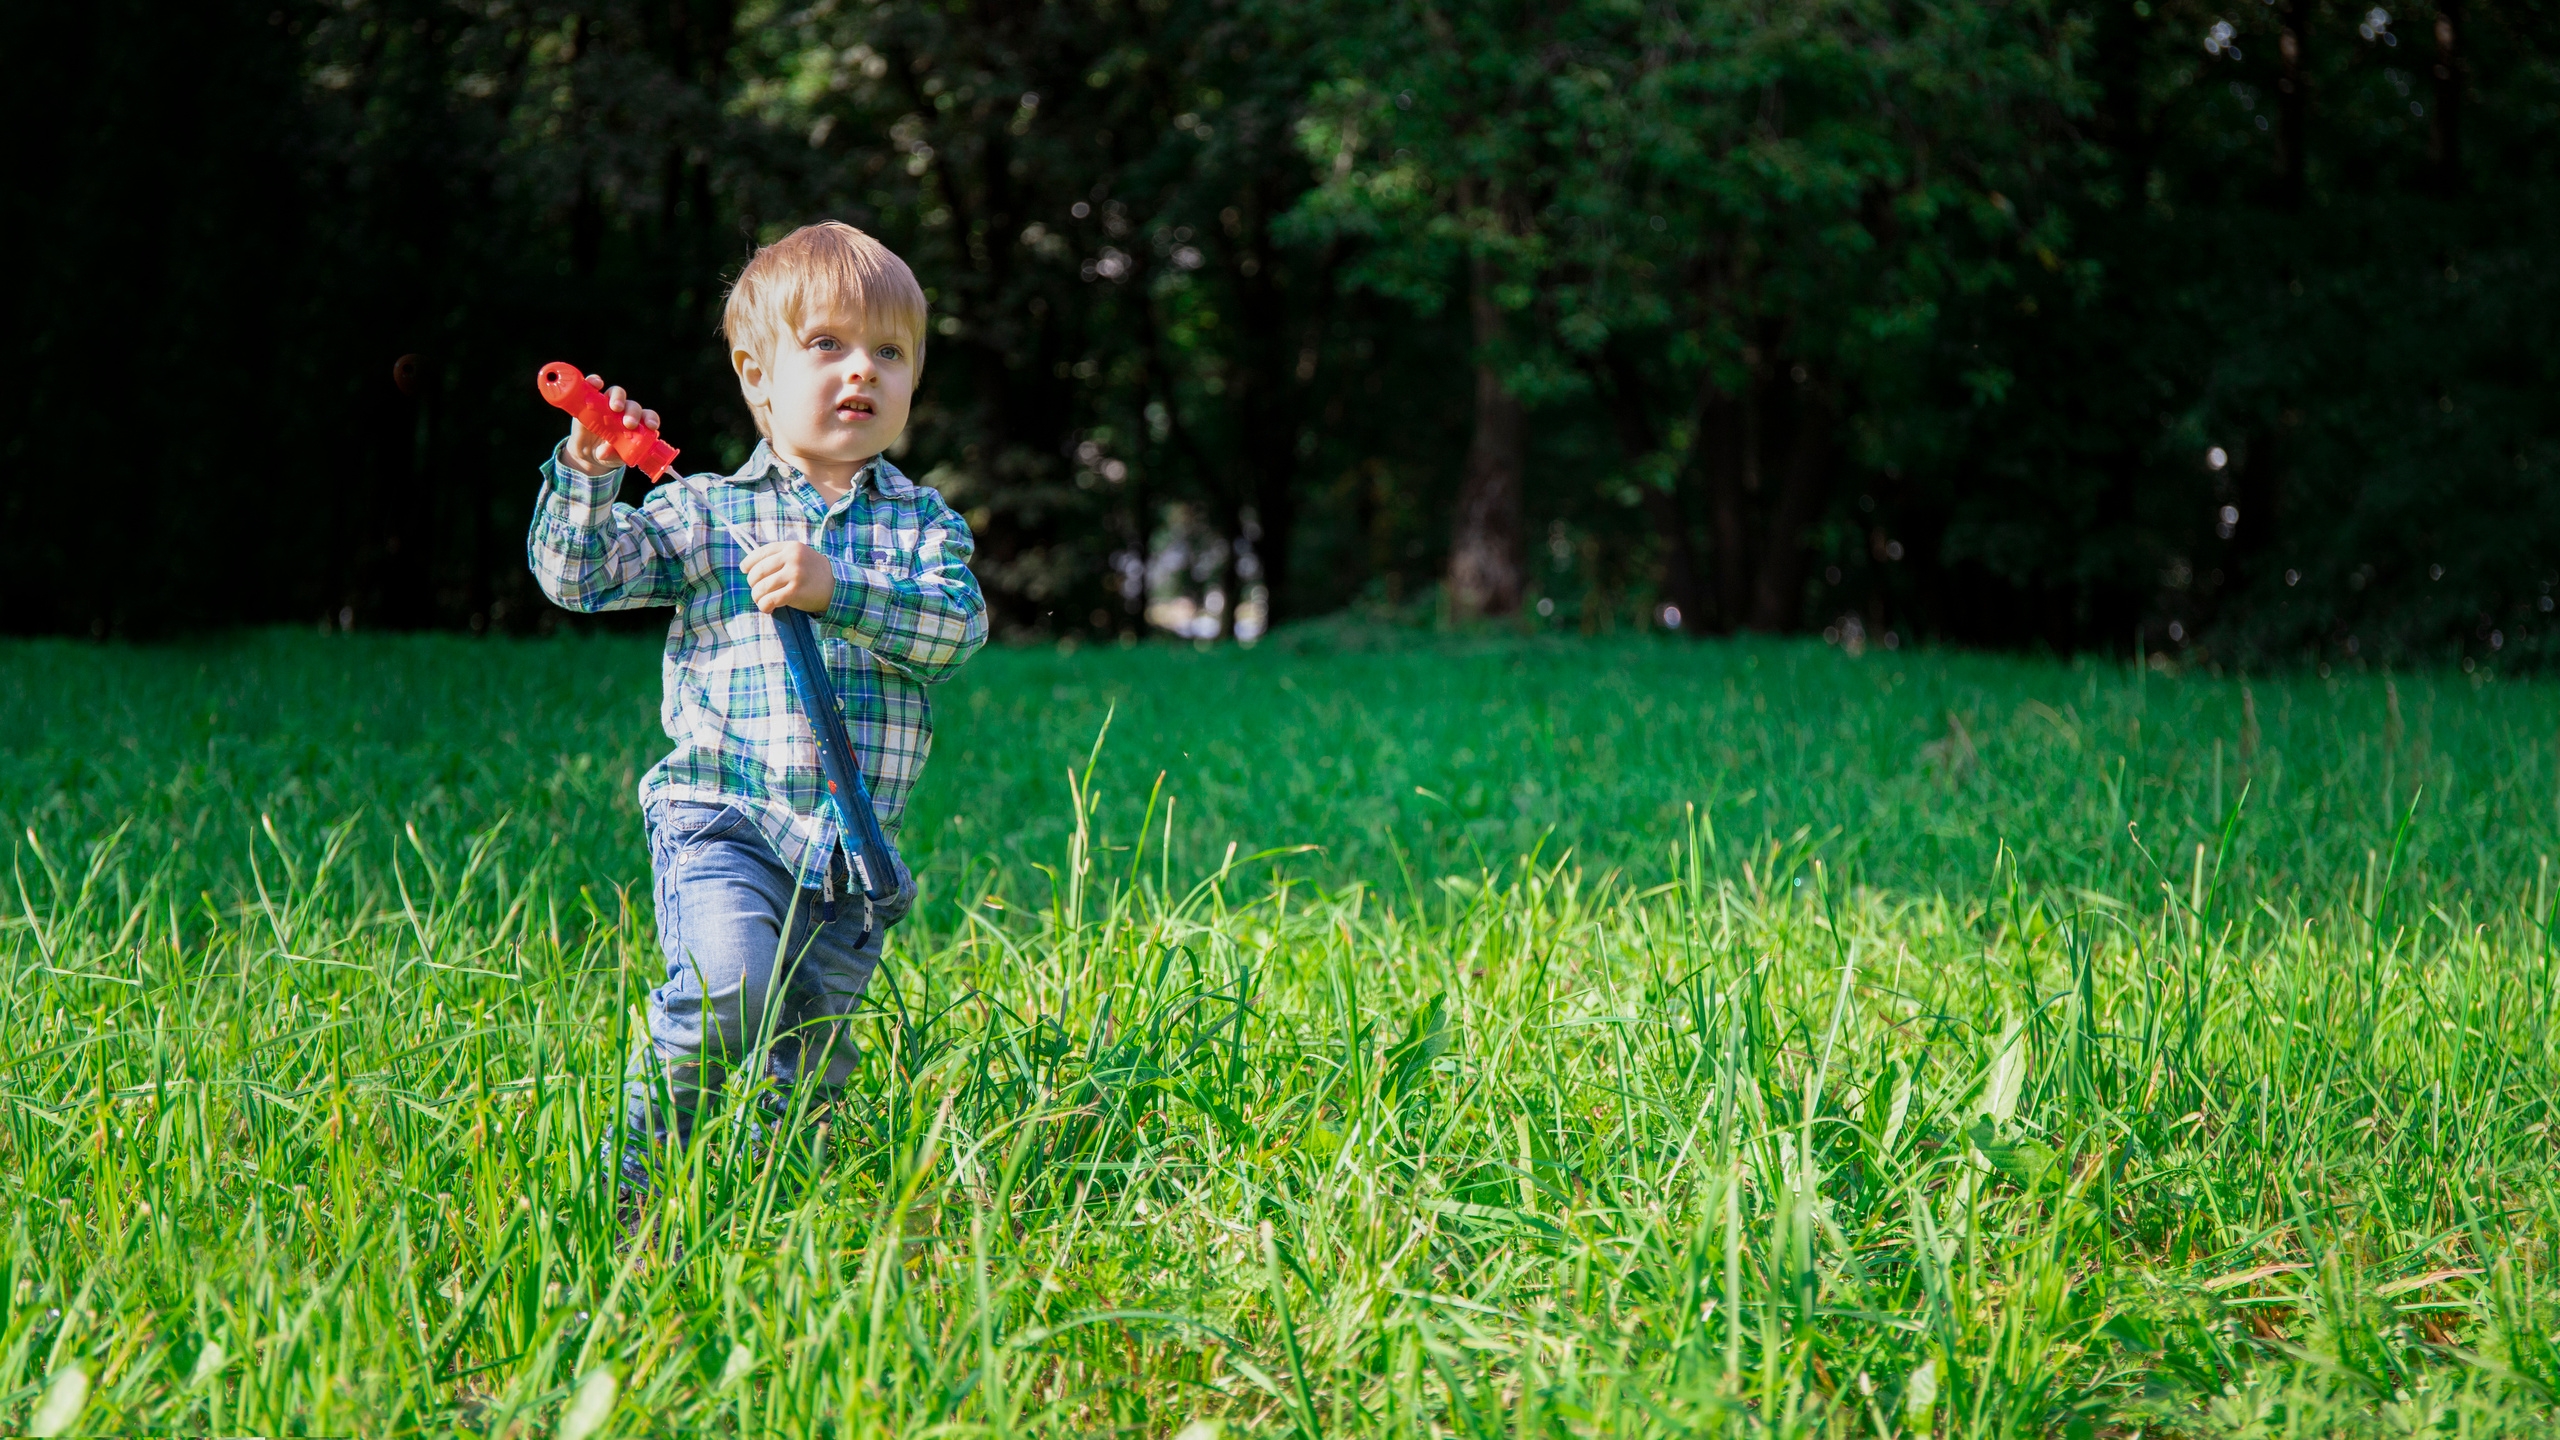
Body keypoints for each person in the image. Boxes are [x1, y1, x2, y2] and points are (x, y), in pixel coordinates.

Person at [528, 222, 986, 1198]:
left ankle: (785, 1216)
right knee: (727, 990)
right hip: (725, 820)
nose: (861, 370)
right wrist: (589, 469)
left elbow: (955, 634)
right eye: (827, 344)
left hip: (850, 847)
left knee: (812, 1060)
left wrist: (841, 588)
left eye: (890, 352)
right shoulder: (703, 511)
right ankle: (635, 1193)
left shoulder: (921, 525)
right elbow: (580, 580)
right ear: (756, 375)